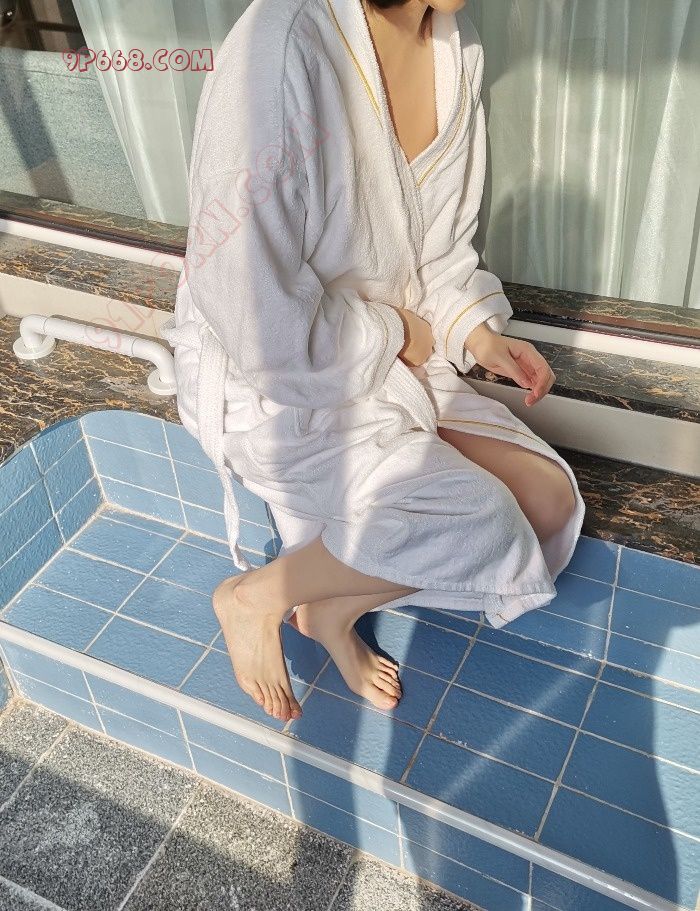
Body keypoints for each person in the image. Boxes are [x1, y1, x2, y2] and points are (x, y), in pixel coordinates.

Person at [164, 0, 585, 725]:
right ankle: (255, 596)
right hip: (282, 384)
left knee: (548, 505)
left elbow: (438, 247)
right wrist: (391, 334)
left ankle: (330, 609)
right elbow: (248, 304)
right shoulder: (280, 45)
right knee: (480, 520)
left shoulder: (455, 44)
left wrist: (475, 333)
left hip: (392, 357)